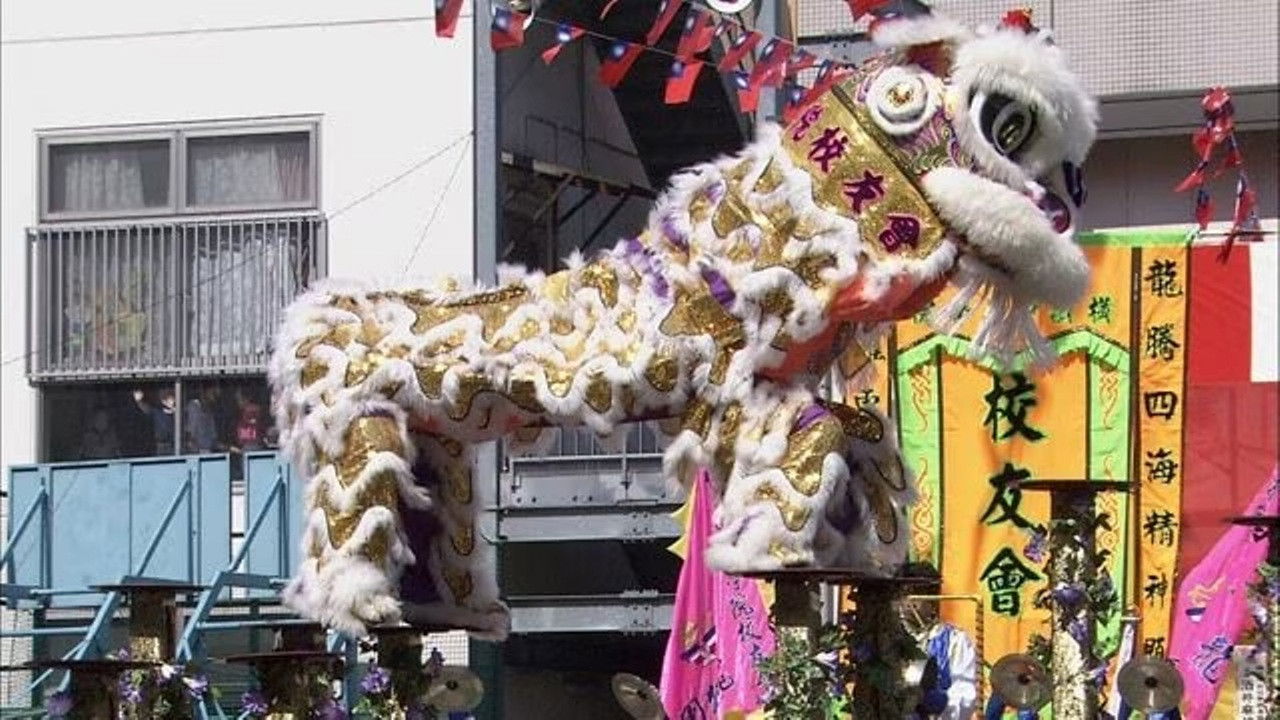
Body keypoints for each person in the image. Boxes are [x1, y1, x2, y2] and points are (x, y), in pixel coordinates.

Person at [901, 577, 978, 720]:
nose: (908, 603)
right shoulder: (888, 637)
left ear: (932, 603)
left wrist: (942, 706)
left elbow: (966, 694)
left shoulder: (954, 639)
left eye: (916, 595)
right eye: (903, 595)